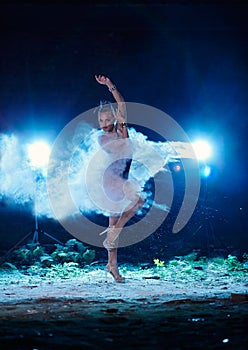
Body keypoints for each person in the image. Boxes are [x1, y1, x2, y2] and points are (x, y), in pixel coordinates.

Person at [94, 74, 145, 282]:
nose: (104, 123)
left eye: (107, 119)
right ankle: (113, 237)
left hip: (122, 177)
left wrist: (110, 86)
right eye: (101, 120)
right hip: (113, 180)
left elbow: (122, 104)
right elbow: (119, 150)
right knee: (139, 201)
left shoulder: (121, 126)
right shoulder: (103, 138)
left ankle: (112, 266)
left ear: (114, 118)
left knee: (113, 223)